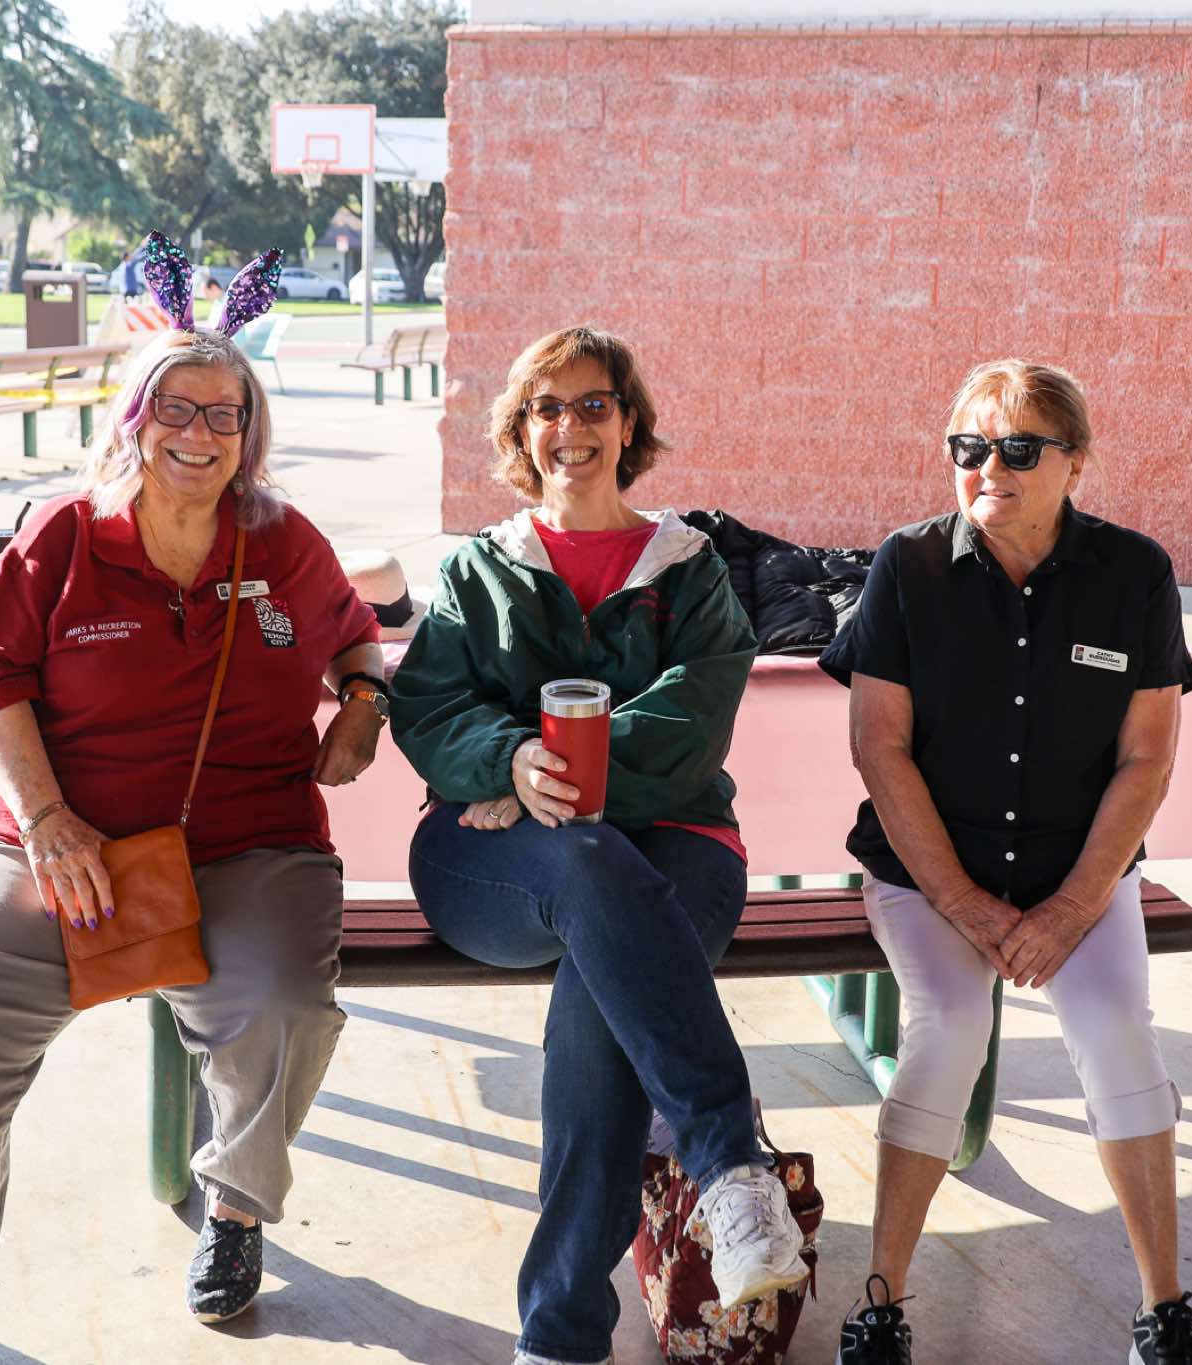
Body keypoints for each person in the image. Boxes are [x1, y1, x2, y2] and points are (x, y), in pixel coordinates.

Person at [0, 324, 388, 1363]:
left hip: (246, 838)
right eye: (175, 407)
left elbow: (353, 631)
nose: (199, 431)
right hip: (48, 833)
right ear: (134, 420)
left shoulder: (283, 539)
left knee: (283, 1003)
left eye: (224, 413)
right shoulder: (65, 532)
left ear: (249, 434)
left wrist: (364, 704)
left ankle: (233, 1208)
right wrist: (44, 818)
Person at [390, 325, 810, 1365]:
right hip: (490, 865)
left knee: (600, 1000)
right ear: (520, 429)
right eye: (547, 407)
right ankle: (729, 1166)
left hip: (676, 850)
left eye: (592, 405)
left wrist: (549, 781)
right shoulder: (478, 569)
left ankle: (561, 1338)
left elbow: (690, 727)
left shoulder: (691, 569)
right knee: (586, 867)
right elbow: (430, 707)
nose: (568, 427)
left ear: (628, 425)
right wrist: (505, 763)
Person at [824, 360, 1192, 1365]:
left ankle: (1165, 1311)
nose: (987, 466)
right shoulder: (906, 566)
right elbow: (879, 748)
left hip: (1079, 876)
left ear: (1075, 462)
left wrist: (1073, 904)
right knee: (950, 1026)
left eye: (1018, 448)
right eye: (969, 446)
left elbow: (1146, 758)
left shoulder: (1134, 574)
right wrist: (963, 902)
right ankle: (880, 1305)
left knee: (1118, 1031)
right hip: (927, 876)